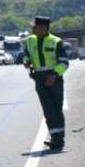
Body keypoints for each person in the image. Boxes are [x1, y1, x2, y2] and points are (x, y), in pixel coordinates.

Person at [23, 16, 69, 151]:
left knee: (56, 109)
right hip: (39, 79)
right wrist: (26, 60)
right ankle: (55, 138)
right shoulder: (30, 40)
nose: (33, 29)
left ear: (43, 28)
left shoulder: (56, 41)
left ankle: (59, 140)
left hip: (54, 79)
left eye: (35, 27)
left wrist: (54, 75)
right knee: (48, 110)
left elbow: (64, 63)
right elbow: (26, 54)